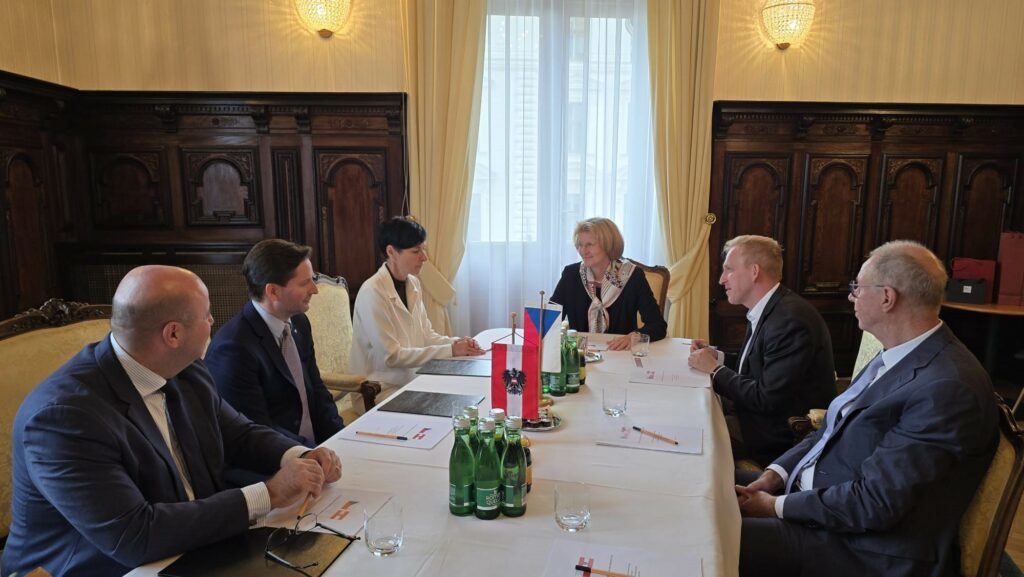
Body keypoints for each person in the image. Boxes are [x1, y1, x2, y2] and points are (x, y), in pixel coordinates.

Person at [4, 265, 342, 577]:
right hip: (100, 567)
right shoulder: (64, 418)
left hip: (193, 545)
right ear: (173, 334)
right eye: (207, 315)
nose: (213, 322)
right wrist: (269, 493)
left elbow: (237, 433)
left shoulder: (185, 369)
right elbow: (135, 536)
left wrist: (298, 456)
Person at [734, 240, 998, 577]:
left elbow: (875, 503)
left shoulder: (947, 388)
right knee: (704, 480)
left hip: (864, 548)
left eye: (857, 287)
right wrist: (775, 474)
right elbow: (830, 430)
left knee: (707, 534)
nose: (851, 296)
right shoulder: (899, 352)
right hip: (822, 496)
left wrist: (775, 506)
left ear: (887, 298)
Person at [688, 235, 836, 464]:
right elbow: (756, 364)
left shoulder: (790, 320)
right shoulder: (773, 307)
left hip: (773, 436)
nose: (721, 279)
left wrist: (715, 370)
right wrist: (716, 356)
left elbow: (766, 399)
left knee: (690, 434)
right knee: (690, 409)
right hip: (753, 417)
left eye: (729, 270)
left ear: (754, 271)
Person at [206, 239, 343, 451]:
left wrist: (342, 440)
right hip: (275, 459)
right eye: (304, 283)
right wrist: (310, 453)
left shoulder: (299, 322)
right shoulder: (234, 348)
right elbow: (256, 429)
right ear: (273, 291)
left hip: (315, 449)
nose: (315, 290)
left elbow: (317, 392)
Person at [351, 216, 484, 394]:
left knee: (465, 391)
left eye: (423, 249)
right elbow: (392, 356)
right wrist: (451, 350)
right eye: (415, 251)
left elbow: (426, 336)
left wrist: (458, 343)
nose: (424, 257)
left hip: (411, 380)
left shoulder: (412, 283)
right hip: (379, 388)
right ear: (391, 252)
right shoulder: (372, 292)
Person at [550, 217, 667, 351]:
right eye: (580, 245)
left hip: (620, 353)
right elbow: (549, 320)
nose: (583, 251)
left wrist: (634, 336)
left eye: (589, 244)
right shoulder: (571, 274)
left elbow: (658, 325)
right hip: (581, 355)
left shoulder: (633, 276)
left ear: (608, 245)